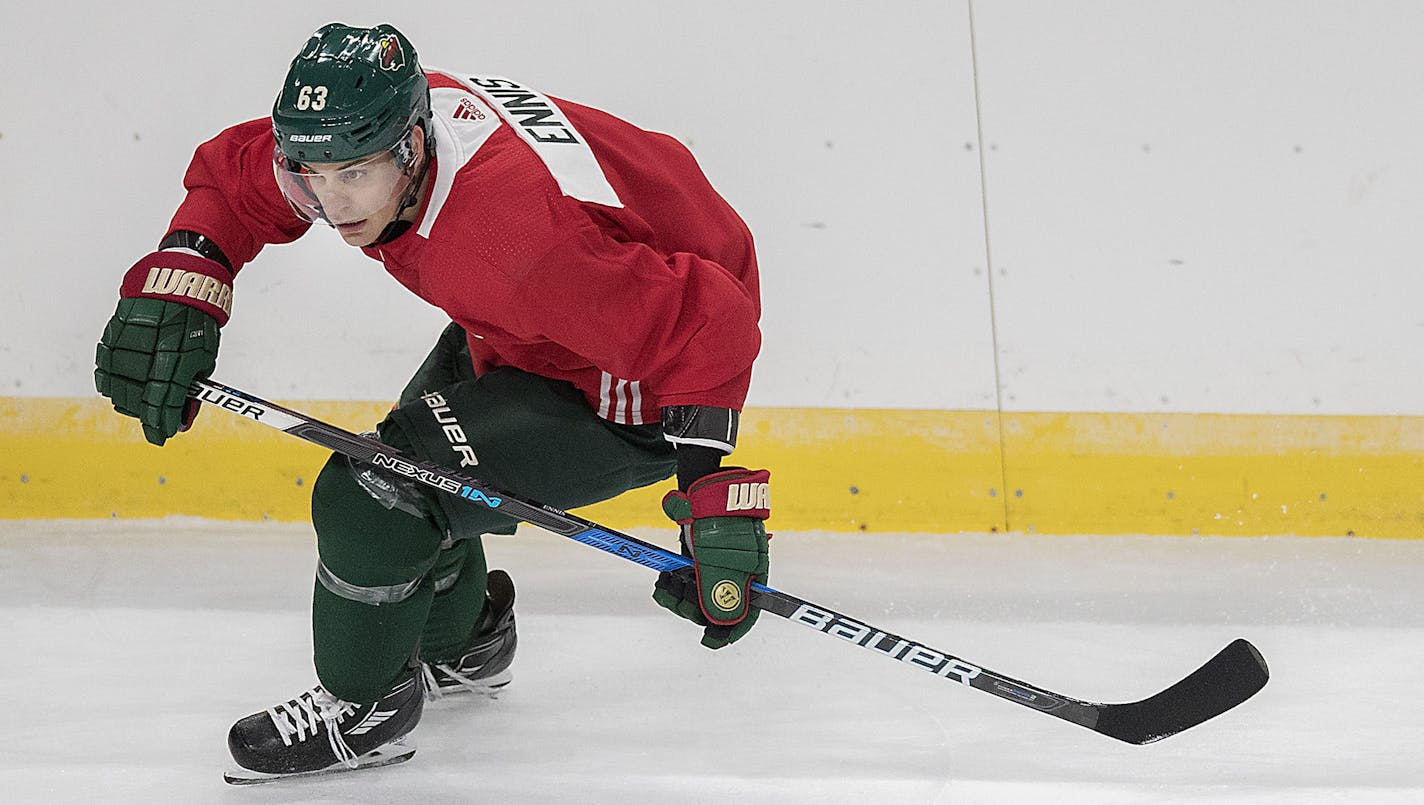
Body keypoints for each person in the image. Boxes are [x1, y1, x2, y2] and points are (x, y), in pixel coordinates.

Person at [93, 22, 771, 779]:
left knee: (374, 497)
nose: (329, 200)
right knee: (419, 470)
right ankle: (465, 643)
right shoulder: (387, 121)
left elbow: (711, 323)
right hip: (546, 326)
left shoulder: (511, 242)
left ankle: (366, 706)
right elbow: (235, 177)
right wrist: (190, 271)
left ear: (411, 149)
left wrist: (711, 498)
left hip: (625, 385)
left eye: (351, 175)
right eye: (309, 174)